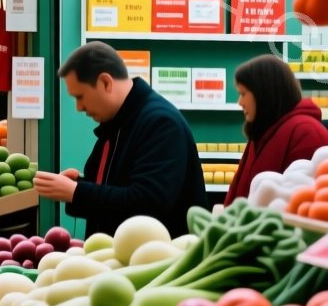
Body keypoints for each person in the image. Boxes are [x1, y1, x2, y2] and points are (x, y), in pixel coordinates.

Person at [33, 43, 207, 237]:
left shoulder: (161, 123)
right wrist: (81, 184)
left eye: (80, 96)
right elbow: (119, 187)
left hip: (158, 264)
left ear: (106, 82)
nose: (79, 107)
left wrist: (76, 192)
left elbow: (147, 204)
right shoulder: (120, 122)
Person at [229, 55, 328, 204]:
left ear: (264, 93)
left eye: (243, 94)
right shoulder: (263, 132)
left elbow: (303, 206)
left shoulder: (306, 133)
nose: (240, 102)